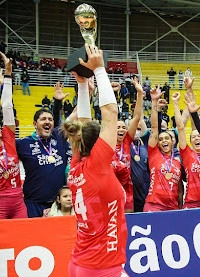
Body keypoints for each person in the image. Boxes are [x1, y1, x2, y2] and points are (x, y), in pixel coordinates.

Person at [63, 44, 128, 277]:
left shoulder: (76, 167)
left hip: (81, 263)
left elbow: (83, 122)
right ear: (99, 143)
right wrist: (99, 69)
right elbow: (110, 113)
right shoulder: (97, 165)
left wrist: (82, 86)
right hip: (102, 267)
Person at [17, 82, 74, 218]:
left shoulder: (58, 138)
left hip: (57, 205)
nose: (47, 121)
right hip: (33, 204)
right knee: (35, 239)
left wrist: (58, 102)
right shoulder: (23, 143)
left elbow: (74, 115)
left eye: (50, 119)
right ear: (35, 124)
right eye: (43, 119)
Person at [173, 81, 200, 208]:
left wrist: (190, 89)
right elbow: (181, 127)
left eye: (199, 136)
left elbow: (197, 124)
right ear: (190, 141)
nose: (197, 138)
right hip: (192, 204)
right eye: (193, 137)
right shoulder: (186, 153)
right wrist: (176, 104)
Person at [144, 91, 183, 211]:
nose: (164, 141)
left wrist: (180, 208)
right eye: (160, 140)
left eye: (167, 138)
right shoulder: (154, 154)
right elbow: (155, 128)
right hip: (154, 205)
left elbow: (180, 189)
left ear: (173, 142)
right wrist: (154, 102)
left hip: (172, 207)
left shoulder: (177, 162)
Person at [0, 52, 27, 220]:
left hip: (18, 200)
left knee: (23, 238)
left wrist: (8, 75)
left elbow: (8, 106)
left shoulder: (7, 139)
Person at [111, 77, 144, 213]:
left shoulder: (126, 141)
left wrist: (140, 94)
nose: (121, 130)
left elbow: (136, 117)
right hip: (109, 188)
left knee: (127, 222)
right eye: (118, 127)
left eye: (124, 127)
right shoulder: (106, 142)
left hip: (127, 189)